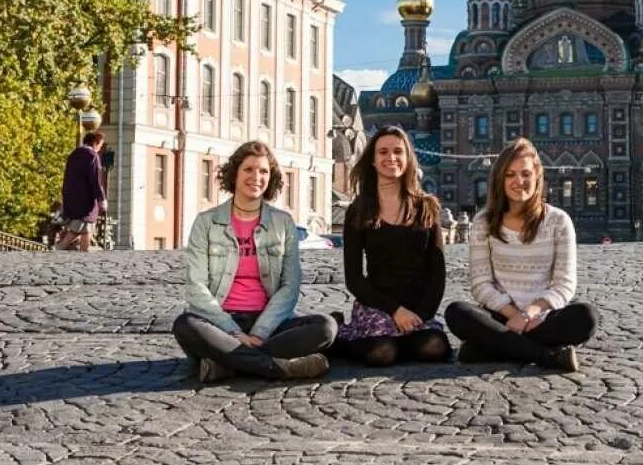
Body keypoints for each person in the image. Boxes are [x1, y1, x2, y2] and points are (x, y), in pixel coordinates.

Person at [171, 141, 336, 383]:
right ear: (235, 173)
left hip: (270, 322)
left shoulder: (283, 223)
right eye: (248, 169)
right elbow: (196, 288)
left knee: (326, 326)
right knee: (185, 324)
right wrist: (233, 331)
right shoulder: (206, 222)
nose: (256, 177)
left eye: (263, 171)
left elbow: (290, 287)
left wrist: (259, 332)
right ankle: (279, 368)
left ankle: (226, 362)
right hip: (220, 324)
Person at [445, 138, 598, 373]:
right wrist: (514, 315)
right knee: (456, 312)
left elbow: (564, 284)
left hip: (542, 317)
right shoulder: (484, 222)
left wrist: (529, 314)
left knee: (586, 317)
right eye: (510, 174)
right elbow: (480, 285)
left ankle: (490, 347)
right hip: (500, 316)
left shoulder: (558, 221)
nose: (519, 181)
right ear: (500, 180)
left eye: (526, 174)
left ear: (537, 176)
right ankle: (547, 355)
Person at [333, 125, 449, 367]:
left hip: (417, 307)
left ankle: (399, 340)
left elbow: (437, 272)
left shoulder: (426, 207)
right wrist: (395, 311)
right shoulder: (359, 210)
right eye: (383, 152)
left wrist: (420, 314)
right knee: (382, 353)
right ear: (373, 161)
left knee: (435, 348)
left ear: (407, 159)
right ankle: (344, 337)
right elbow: (354, 278)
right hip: (378, 304)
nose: (391, 158)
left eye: (398, 151)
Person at [57, 132, 107, 252]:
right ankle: (58, 249)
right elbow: (95, 180)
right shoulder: (92, 156)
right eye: (100, 144)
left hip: (72, 198)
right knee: (79, 228)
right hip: (86, 201)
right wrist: (101, 199)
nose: (100, 147)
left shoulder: (73, 154)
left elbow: (67, 178)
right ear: (95, 143)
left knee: (86, 230)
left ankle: (83, 256)